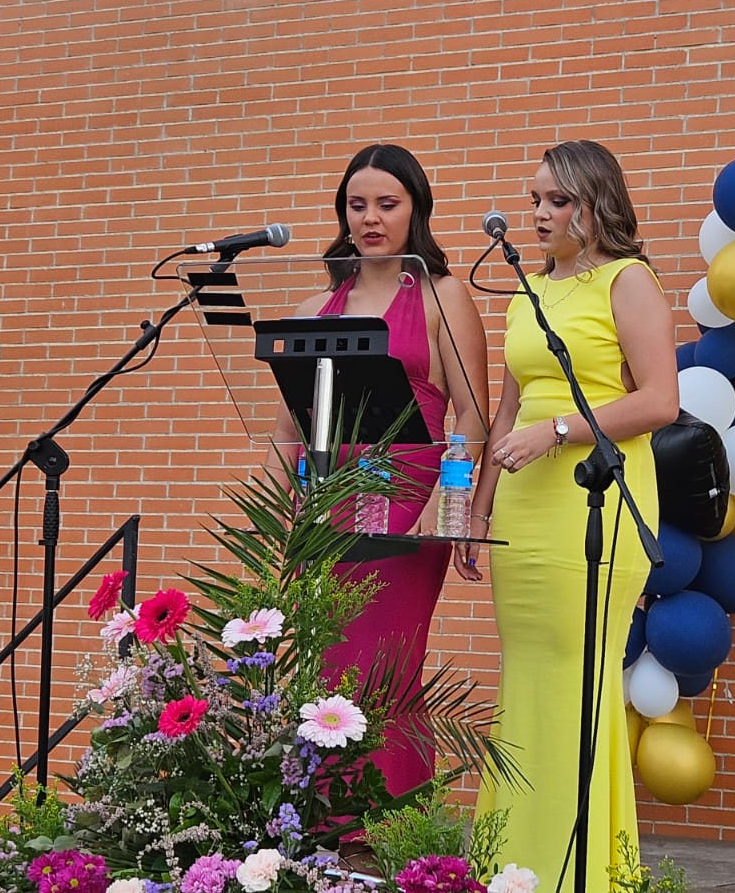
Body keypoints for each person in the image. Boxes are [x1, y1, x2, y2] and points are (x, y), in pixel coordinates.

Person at [455, 140, 679, 883]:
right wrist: (478, 511)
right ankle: (511, 862)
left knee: (579, 679)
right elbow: (506, 410)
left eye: (558, 200)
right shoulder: (526, 293)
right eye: (535, 200)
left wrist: (557, 432)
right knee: (527, 676)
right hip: (524, 505)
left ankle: (583, 867)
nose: (540, 214)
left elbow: (659, 400)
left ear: (597, 204)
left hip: (596, 496)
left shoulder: (628, 280)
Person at [268, 143, 489, 800]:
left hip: (409, 507)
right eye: (356, 204)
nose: (370, 218)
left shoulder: (443, 296)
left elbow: (471, 416)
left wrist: (445, 505)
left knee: (385, 674)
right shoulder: (315, 307)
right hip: (325, 510)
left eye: (387, 204)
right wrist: (278, 514)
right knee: (328, 673)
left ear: (415, 210)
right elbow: (288, 429)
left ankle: (386, 821)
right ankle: (326, 826)